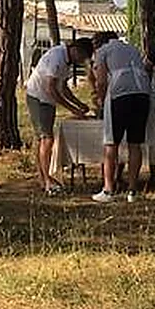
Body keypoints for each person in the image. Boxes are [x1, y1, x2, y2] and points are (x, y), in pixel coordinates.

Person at [23, 37, 94, 194]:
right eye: (81, 58)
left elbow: (63, 88)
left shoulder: (66, 62)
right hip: (38, 97)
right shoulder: (57, 57)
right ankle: (47, 180)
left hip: (47, 100)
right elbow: (51, 89)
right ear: (76, 49)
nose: (80, 61)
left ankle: (43, 179)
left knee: (43, 140)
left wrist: (79, 104)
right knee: (47, 139)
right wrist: (72, 109)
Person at [90, 32, 152, 204]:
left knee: (111, 143)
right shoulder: (132, 48)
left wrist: (101, 100)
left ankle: (109, 189)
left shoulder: (103, 51)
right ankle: (132, 189)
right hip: (142, 95)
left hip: (120, 95)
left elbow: (101, 81)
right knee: (135, 143)